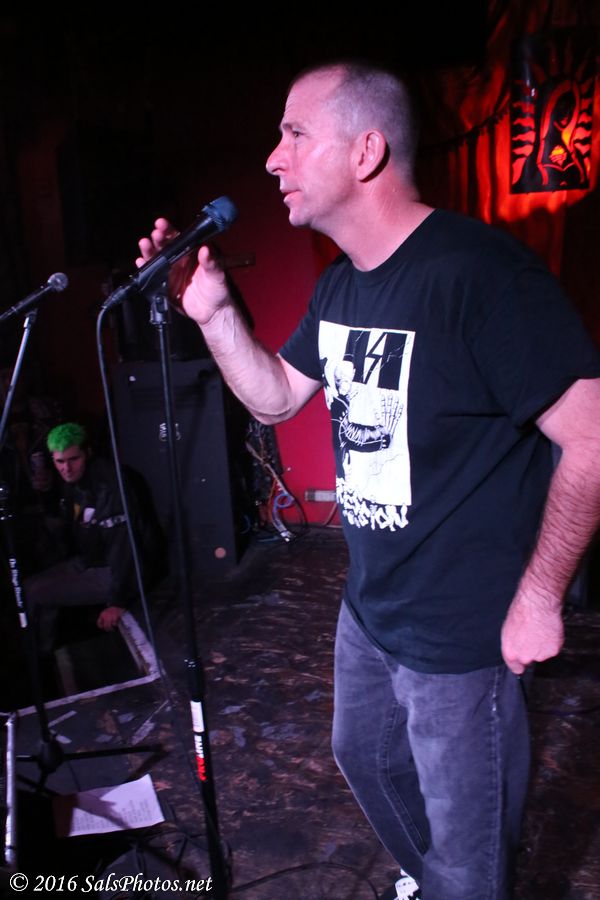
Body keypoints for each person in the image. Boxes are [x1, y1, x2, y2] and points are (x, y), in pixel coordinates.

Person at [138, 62, 600, 900]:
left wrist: (539, 598)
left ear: (366, 151)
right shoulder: (343, 284)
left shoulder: (480, 275)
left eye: (295, 133)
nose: (273, 158)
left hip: (463, 636)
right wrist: (213, 314)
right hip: (371, 610)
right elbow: (277, 398)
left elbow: (593, 438)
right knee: (366, 758)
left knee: (470, 855)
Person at [24, 422, 164, 658]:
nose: (66, 468)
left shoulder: (108, 485)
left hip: (120, 571)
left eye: (73, 459)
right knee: (28, 586)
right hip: (91, 560)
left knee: (36, 594)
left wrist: (118, 601)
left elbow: (124, 546)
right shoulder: (72, 483)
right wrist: (46, 493)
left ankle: (41, 660)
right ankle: (46, 657)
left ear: (87, 453)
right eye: (60, 461)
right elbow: (65, 525)